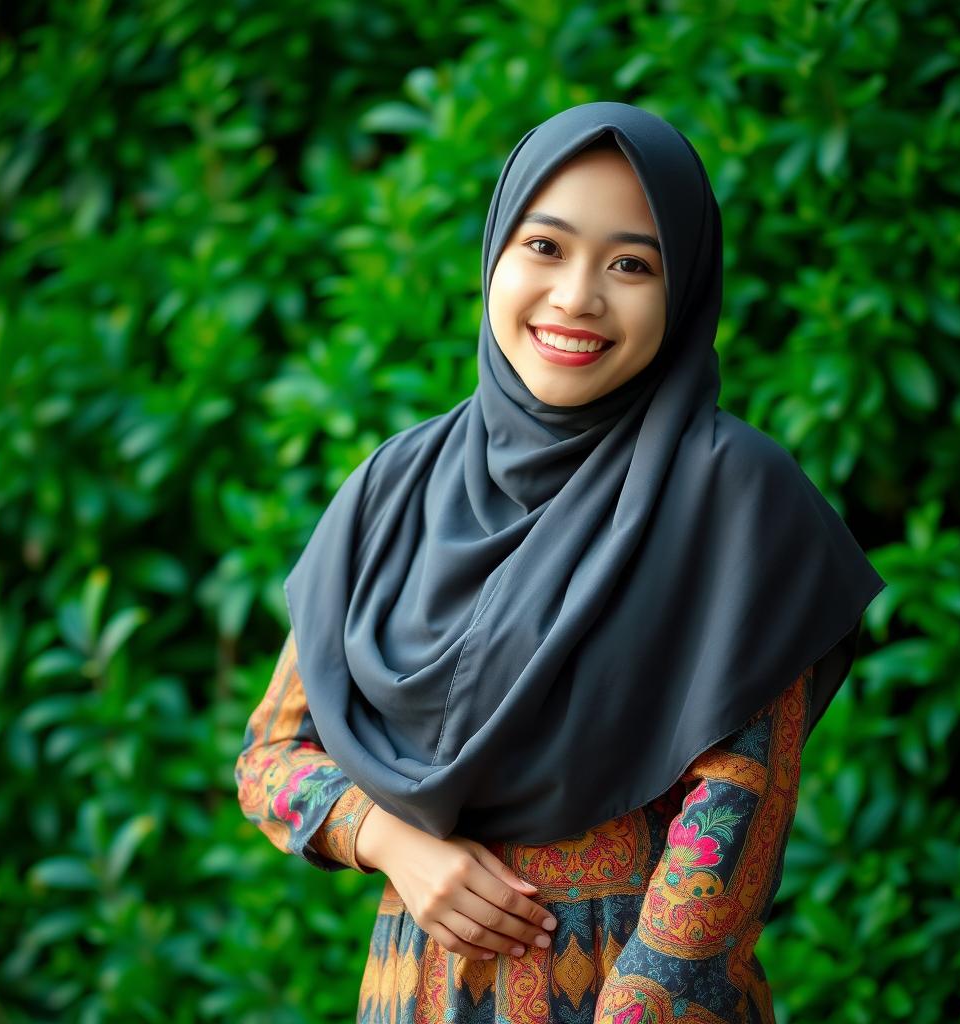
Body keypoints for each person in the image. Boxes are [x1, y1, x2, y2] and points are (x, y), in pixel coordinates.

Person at [235, 102, 885, 1023]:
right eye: (546, 247)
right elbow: (270, 756)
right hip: (412, 993)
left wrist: (638, 1006)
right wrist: (389, 840)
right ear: (496, 253)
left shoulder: (731, 494)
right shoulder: (395, 488)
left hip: (638, 992)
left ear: (685, 288)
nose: (579, 295)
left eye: (631, 264)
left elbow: (735, 809)